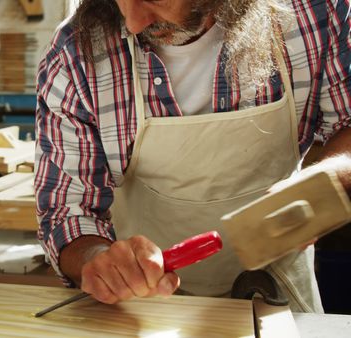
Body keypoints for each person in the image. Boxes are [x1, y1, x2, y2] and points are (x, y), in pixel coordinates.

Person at [34, 0, 351, 313]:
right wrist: (99, 261)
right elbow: (67, 211)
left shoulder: (315, 12)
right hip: (146, 302)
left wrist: (325, 184)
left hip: (278, 294)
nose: (131, 22)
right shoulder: (75, 55)